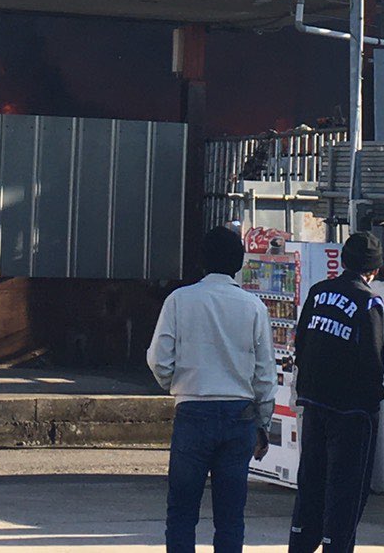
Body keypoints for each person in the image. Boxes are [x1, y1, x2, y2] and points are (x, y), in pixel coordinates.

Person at [147, 225, 276, 553]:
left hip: (193, 409)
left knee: (181, 511)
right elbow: (264, 375)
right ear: (240, 263)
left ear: (202, 261)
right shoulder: (254, 307)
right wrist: (262, 423)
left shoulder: (179, 300)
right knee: (231, 516)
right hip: (240, 415)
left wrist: (175, 385)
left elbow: (159, 359)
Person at [288, 231, 384, 553]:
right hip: (351, 413)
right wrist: (373, 402)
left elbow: (300, 344)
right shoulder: (368, 300)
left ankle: (302, 542)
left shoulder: (317, 293)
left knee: (311, 485)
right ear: (374, 270)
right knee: (346, 491)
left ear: (343, 261)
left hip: (314, 404)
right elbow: (373, 358)